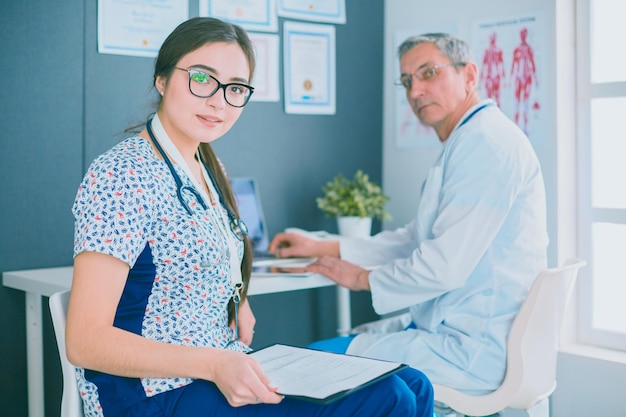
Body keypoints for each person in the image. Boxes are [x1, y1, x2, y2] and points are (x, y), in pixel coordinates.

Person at [66, 17, 434, 417]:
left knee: (414, 383)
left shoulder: (207, 166)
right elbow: (85, 340)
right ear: (162, 79)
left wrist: (236, 299)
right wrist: (213, 362)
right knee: (390, 398)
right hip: (153, 393)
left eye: (235, 88)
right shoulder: (122, 174)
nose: (218, 101)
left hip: (220, 368)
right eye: (203, 79)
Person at [270, 32, 548, 394]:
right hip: (458, 330)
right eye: (406, 81)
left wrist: (362, 279)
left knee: (310, 363)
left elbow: (442, 266)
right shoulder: (469, 139)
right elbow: (413, 241)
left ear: (469, 75)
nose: (414, 92)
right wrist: (326, 247)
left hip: (472, 349)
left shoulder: (485, 143)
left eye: (428, 73)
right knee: (334, 349)